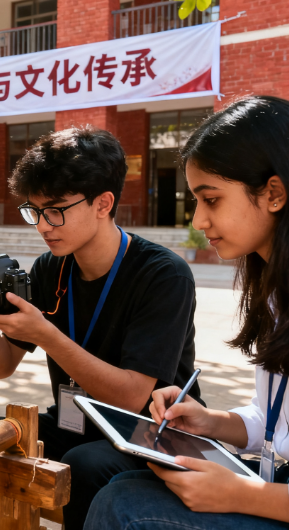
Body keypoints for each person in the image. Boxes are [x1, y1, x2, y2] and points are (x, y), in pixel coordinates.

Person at [0, 127, 202, 530]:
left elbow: (134, 397)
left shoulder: (163, 275)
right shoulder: (51, 267)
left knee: (84, 466)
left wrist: (46, 334)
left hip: (151, 432)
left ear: (103, 203)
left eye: (56, 210)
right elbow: (0, 366)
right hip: (74, 421)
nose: (44, 226)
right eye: (35, 211)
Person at [84, 96, 289, 529]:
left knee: (125, 510)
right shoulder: (275, 292)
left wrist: (244, 495)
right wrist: (209, 420)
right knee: (115, 485)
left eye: (211, 199)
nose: (198, 220)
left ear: (273, 193)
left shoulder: (161, 274)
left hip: (274, 493)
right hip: (271, 477)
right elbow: (273, 424)